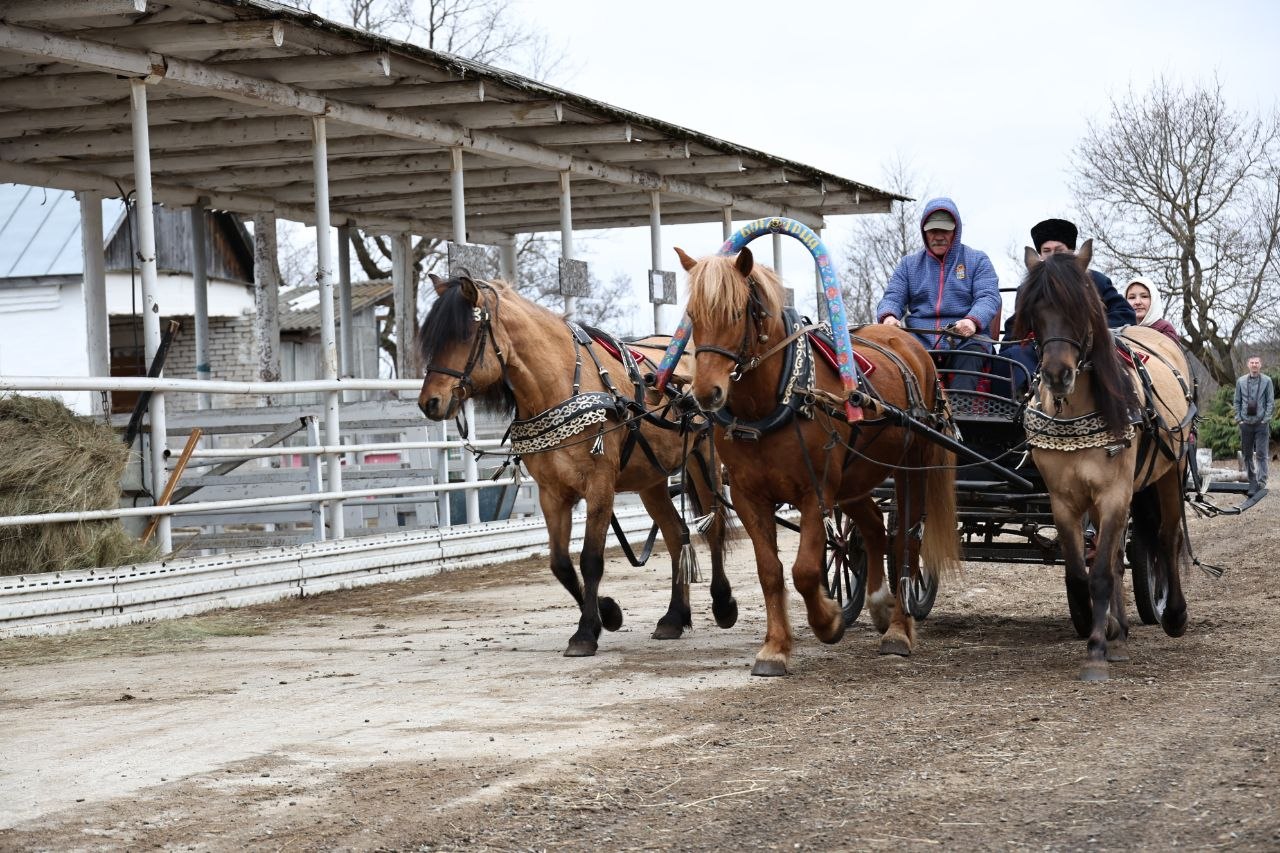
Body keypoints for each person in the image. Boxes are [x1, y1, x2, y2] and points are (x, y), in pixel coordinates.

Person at [875, 198, 1001, 393]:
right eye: (933, 231)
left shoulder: (977, 260)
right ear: (925, 232)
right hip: (920, 341)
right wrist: (889, 316)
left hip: (965, 339)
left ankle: (961, 412)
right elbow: (892, 297)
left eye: (945, 231)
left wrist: (971, 321)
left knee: (972, 353)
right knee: (892, 359)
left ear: (955, 231)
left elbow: (988, 297)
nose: (939, 236)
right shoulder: (909, 265)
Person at [999, 218, 1137, 393]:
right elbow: (1015, 328)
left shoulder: (1095, 280)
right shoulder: (1029, 287)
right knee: (1011, 357)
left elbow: (1124, 314)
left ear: (1071, 252)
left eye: (1059, 250)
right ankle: (1023, 404)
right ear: (1040, 255)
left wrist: (1091, 333)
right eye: (1046, 251)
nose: (1053, 255)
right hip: (1041, 348)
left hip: (1083, 348)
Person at [1234, 355, 1274, 495]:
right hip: (1245, 424)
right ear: (1248, 364)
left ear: (1260, 365)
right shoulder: (1241, 381)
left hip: (1261, 424)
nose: (1254, 365)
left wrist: (1266, 419)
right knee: (1247, 455)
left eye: (1257, 362)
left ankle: (1261, 481)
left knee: (1262, 454)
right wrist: (1239, 419)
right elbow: (1237, 401)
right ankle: (1252, 481)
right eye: (1252, 362)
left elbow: (1270, 401)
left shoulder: (1267, 381)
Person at [1124, 276, 1180, 343]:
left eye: (1144, 296)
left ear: (1153, 300)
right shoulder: (1121, 330)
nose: (1137, 302)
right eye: (1132, 297)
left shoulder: (1164, 329)